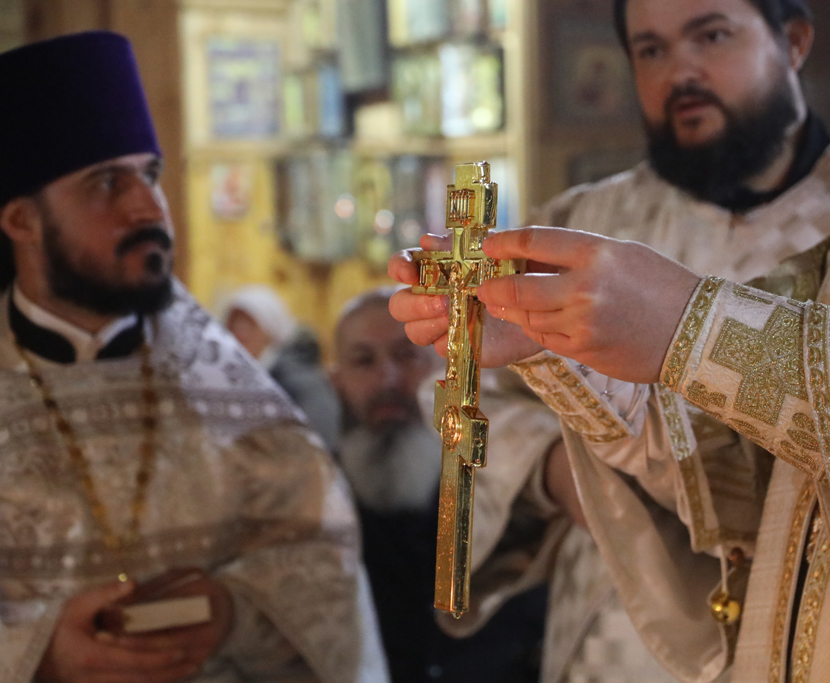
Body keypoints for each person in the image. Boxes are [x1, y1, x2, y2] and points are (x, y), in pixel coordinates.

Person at [392, 0, 830, 681]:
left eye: (712, 36)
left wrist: (689, 328)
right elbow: (754, 462)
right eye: (651, 50)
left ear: (794, 43)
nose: (681, 72)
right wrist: (557, 362)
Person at [0, 32, 388, 682]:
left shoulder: (233, 390)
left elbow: (325, 568)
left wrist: (233, 610)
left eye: (150, 175)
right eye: (106, 182)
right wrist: (40, 654)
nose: (149, 206)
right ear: (22, 221)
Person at [332, 287, 547, 683]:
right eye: (364, 361)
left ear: (444, 367)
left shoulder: (502, 476)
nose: (388, 379)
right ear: (337, 381)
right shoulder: (313, 495)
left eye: (406, 355)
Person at [222, 284, 341, 453]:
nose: (238, 332)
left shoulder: (302, 385)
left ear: (271, 331)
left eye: (249, 324)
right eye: (233, 322)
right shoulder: (228, 378)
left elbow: (317, 447)